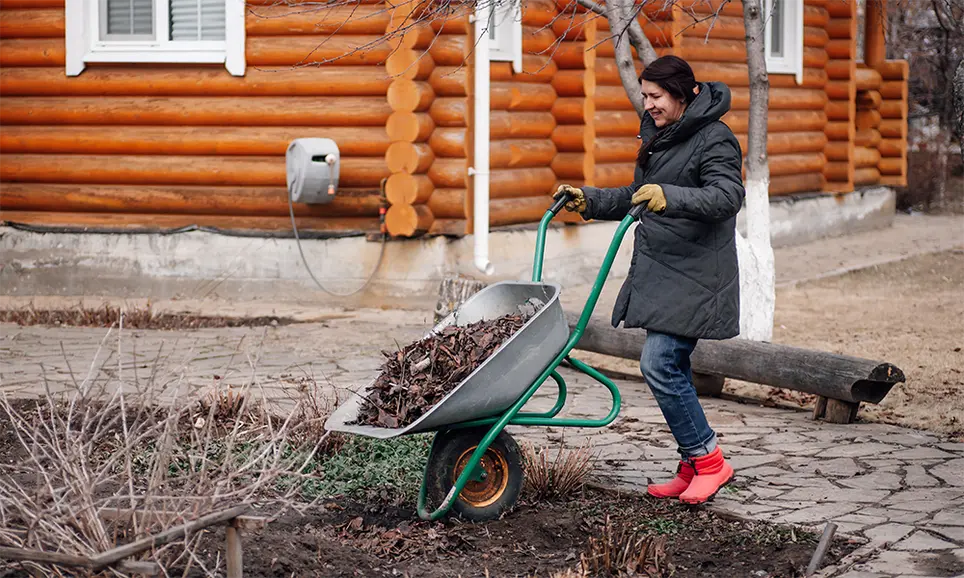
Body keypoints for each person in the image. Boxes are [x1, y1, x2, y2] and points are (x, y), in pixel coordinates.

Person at [554, 55, 744, 504]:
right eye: (645, 95)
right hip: (669, 270)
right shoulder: (666, 136)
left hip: (697, 273)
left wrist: (669, 196)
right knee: (668, 366)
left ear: (683, 95)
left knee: (658, 363)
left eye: (656, 96)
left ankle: (711, 461)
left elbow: (727, 195)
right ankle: (692, 463)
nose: (648, 103)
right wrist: (592, 200)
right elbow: (641, 197)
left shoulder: (714, 137)